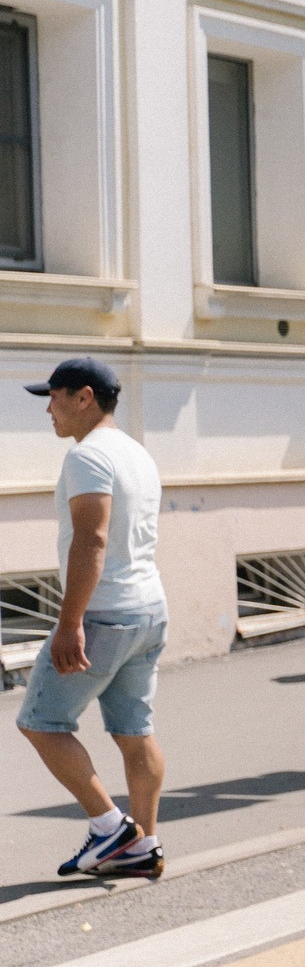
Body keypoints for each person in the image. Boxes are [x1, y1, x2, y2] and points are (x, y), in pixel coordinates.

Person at [16, 358, 170, 880]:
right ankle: (143, 846)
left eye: (54, 396)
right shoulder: (137, 453)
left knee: (39, 722)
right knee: (135, 731)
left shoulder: (88, 457)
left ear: (84, 397)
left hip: (103, 612)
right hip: (148, 608)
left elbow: (92, 539)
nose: (48, 408)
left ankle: (109, 826)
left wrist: (69, 623)